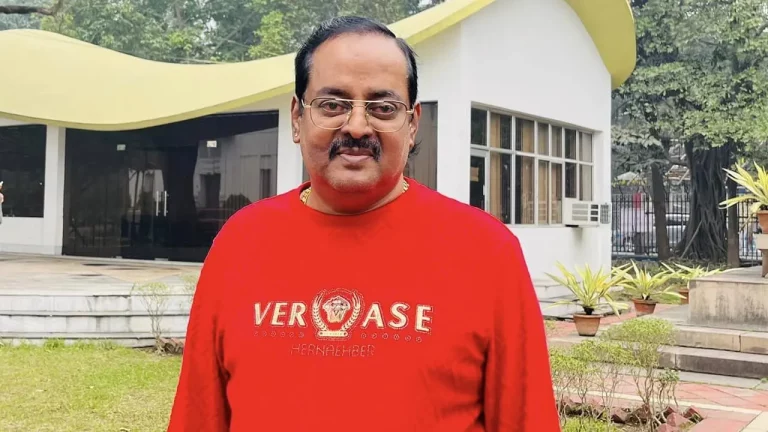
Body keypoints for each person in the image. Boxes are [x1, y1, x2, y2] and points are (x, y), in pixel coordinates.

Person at [168, 16, 559, 432]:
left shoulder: (485, 251)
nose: (356, 126)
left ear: (412, 124)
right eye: (332, 105)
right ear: (297, 118)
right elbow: (199, 416)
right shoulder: (241, 243)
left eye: (383, 108)